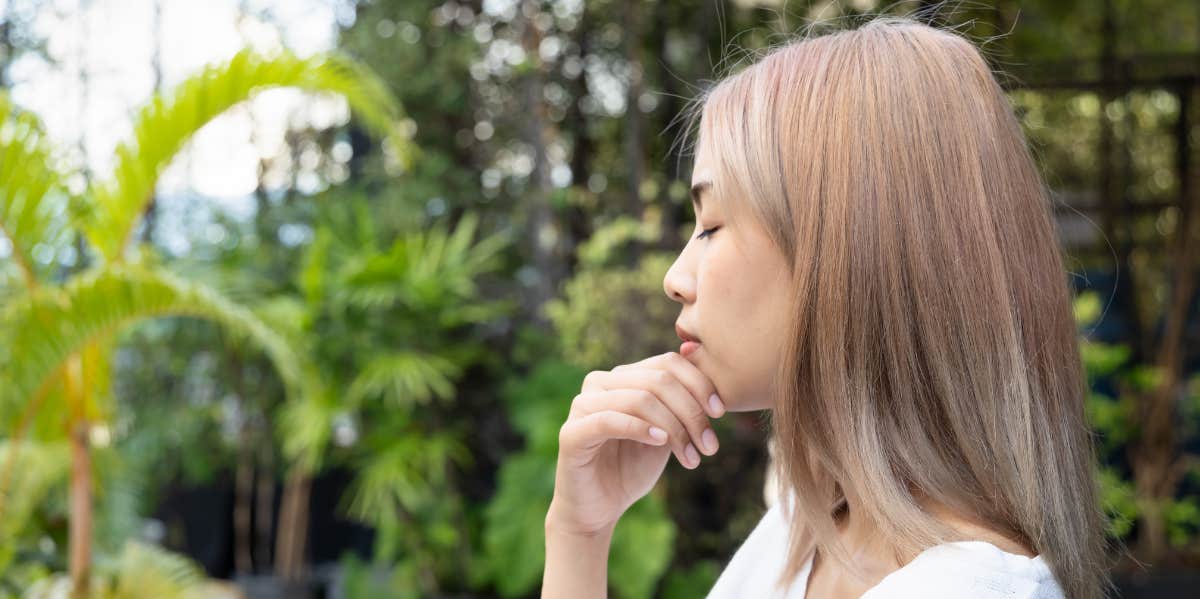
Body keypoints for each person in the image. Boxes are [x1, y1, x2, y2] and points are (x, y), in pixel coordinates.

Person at [541, 12, 1118, 599]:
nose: (675, 278)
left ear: (848, 249)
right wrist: (579, 531)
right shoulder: (805, 528)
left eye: (711, 225)